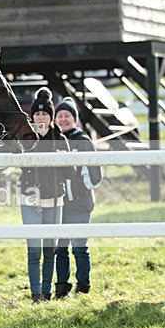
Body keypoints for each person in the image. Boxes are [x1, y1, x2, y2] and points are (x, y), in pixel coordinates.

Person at [19, 87, 75, 302]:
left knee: (49, 250)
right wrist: (37, 142)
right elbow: (20, 163)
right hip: (30, 199)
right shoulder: (26, 137)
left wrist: (60, 156)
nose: (41, 117)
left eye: (44, 113)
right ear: (32, 117)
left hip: (55, 200)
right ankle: (36, 293)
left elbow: (71, 172)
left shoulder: (60, 138)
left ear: (51, 116)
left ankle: (47, 290)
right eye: (37, 114)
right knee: (33, 251)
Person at [53, 97, 102, 297]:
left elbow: (95, 175)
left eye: (67, 116)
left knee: (80, 248)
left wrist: (74, 190)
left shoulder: (83, 142)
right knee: (60, 249)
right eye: (60, 116)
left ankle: (83, 287)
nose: (63, 119)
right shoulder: (52, 141)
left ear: (75, 119)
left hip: (80, 204)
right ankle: (62, 287)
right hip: (58, 204)